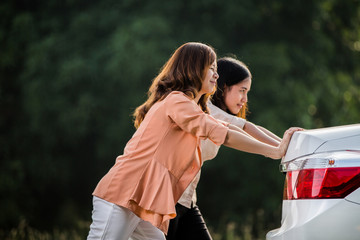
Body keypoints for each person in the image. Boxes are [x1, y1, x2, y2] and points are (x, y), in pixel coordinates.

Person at [86, 43, 301, 240]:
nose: (217, 75)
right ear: (193, 68)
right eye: (212, 68)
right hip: (122, 195)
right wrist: (275, 151)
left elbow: (228, 131)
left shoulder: (194, 109)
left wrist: (280, 148)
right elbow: (226, 135)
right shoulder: (176, 101)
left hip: (143, 202)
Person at [166, 57, 283, 240]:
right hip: (167, 199)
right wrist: (284, 149)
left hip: (186, 199)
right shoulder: (208, 110)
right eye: (241, 91)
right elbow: (246, 128)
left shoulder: (212, 111)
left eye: (247, 92)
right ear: (224, 87)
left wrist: (286, 146)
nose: (245, 99)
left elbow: (245, 127)